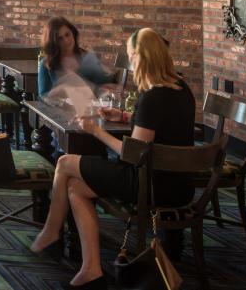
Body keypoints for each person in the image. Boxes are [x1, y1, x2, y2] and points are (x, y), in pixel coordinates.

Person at [30, 28, 195, 289]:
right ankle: (90, 269)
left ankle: (52, 231)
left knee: (64, 163)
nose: (130, 62)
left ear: (144, 57)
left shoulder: (152, 98)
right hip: (180, 185)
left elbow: (131, 155)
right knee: (74, 188)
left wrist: (95, 131)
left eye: (132, 56)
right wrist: (125, 117)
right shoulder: (181, 88)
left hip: (147, 185)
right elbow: (162, 128)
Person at [38, 17, 113, 96]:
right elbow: (43, 96)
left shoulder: (88, 58)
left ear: (73, 33)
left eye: (67, 34)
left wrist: (105, 87)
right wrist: (57, 93)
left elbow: (102, 86)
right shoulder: (46, 64)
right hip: (58, 107)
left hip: (89, 106)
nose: (66, 41)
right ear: (53, 42)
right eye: (60, 38)